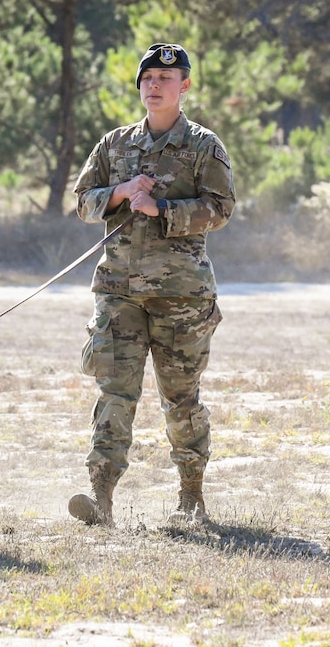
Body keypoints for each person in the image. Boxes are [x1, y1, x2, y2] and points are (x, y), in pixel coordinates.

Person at [68, 43, 235, 528]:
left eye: (167, 78)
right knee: (114, 392)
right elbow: (82, 202)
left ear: (184, 86)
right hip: (118, 290)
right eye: (148, 79)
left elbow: (220, 209)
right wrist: (119, 193)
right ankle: (100, 497)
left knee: (180, 397)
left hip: (181, 296)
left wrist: (162, 211)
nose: (155, 86)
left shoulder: (205, 146)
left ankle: (191, 495)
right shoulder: (114, 145)